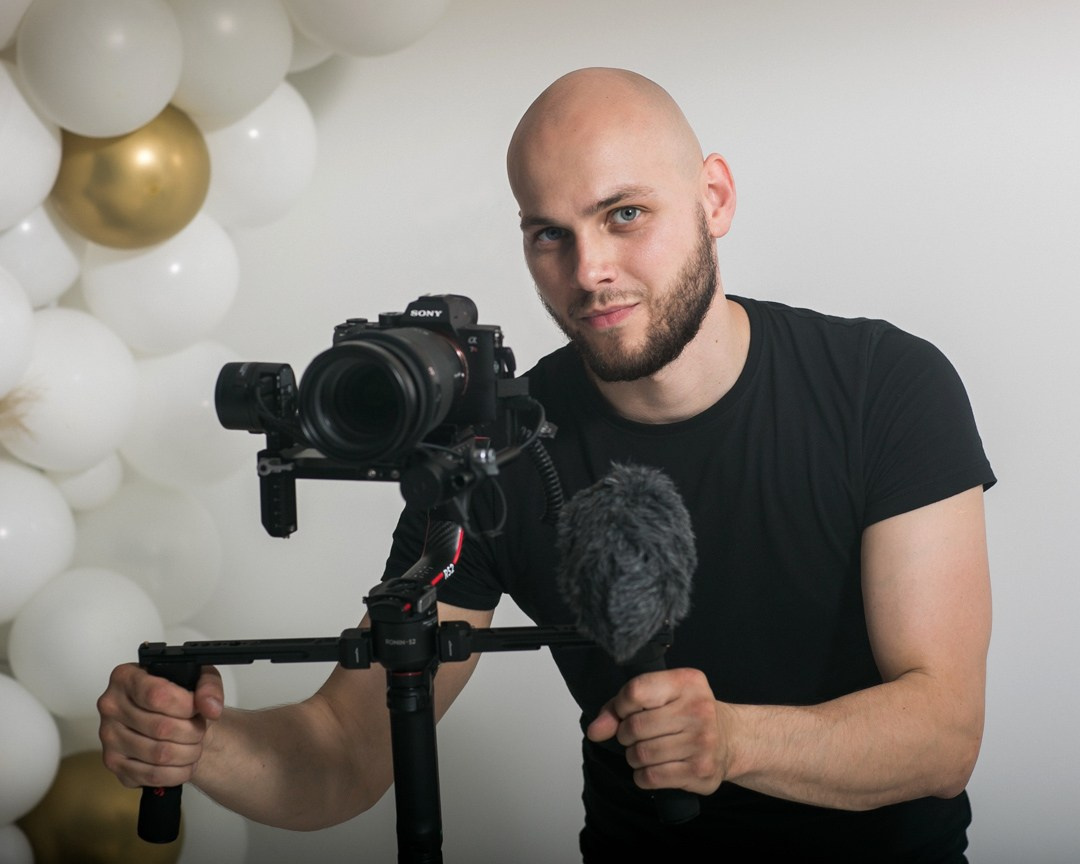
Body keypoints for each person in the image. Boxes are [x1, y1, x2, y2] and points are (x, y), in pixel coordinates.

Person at [98, 67, 994, 861]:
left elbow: (942, 731)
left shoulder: (885, 385)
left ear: (714, 197)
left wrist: (729, 741)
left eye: (625, 214)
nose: (589, 271)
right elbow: (346, 750)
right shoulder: (495, 449)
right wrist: (198, 744)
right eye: (548, 234)